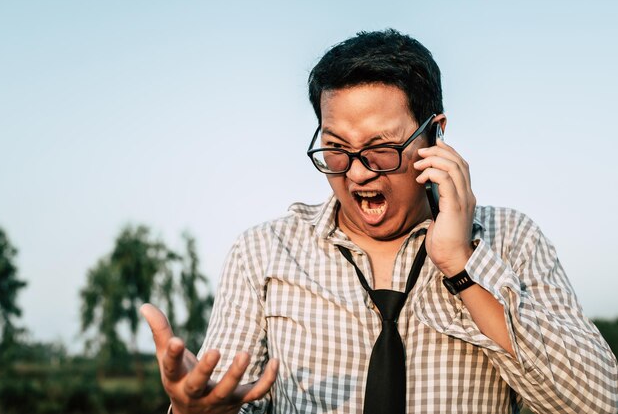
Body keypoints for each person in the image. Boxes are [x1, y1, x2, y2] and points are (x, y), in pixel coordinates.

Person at [141, 29, 618, 414]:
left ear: (435, 133)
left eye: (380, 148)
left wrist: (462, 265)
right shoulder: (264, 251)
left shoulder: (512, 239)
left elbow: (599, 403)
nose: (358, 171)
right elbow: (229, 395)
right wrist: (194, 412)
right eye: (335, 148)